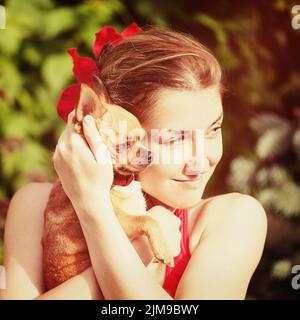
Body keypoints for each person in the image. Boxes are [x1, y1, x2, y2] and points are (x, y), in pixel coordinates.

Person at [0, 25, 267, 300]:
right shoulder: (35, 206)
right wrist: (136, 244)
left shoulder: (232, 218)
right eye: (174, 139)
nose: (200, 161)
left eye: (213, 129)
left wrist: (96, 213)